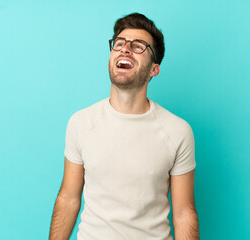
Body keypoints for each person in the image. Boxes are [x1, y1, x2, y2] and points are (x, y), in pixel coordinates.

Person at [49, 13, 199, 240]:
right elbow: (68, 198)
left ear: (154, 69)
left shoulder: (178, 131)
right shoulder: (80, 123)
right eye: (119, 44)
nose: (125, 48)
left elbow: (184, 214)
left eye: (139, 46)